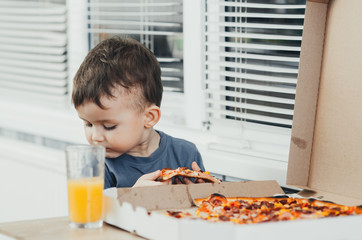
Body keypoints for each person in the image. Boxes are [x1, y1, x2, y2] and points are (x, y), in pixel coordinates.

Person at [71, 37, 205, 188]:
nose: (95, 137)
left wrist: (202, 192)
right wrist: (133, 197)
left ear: (149, 117)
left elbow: (206, 208)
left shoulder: (185, 154)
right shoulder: (95, 165)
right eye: (88, 124)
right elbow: (92, 211)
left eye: (108, 126)